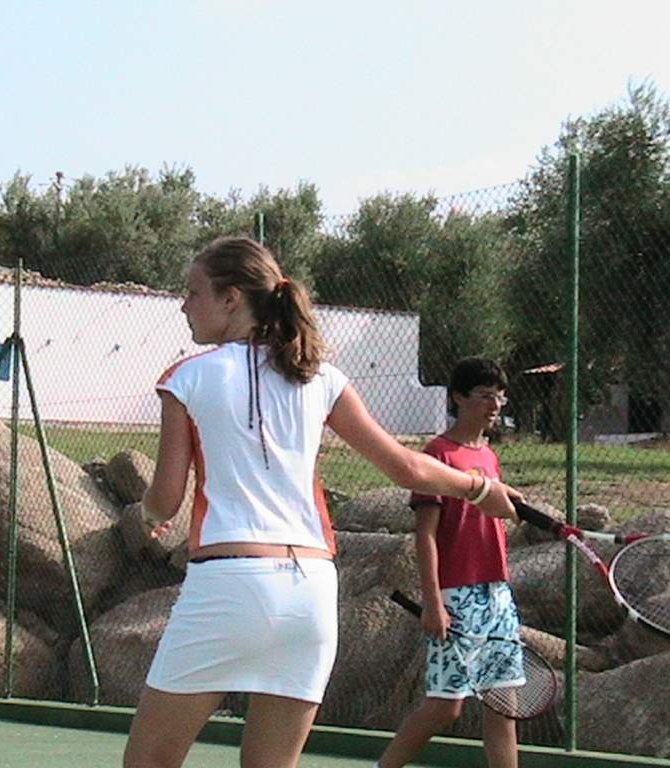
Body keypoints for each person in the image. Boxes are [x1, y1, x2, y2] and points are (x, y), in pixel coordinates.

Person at [122, 237, 522, 768]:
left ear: (231, 298)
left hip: (228, 586)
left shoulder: (186, 377)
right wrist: (482, 489)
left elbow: (166, 498)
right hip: (309, 595)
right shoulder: (322, 377)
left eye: (193, 292)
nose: (183, 304)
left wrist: (146, 516)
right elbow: (406, 466)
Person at [375, 357, 522, 768]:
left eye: (500, 397)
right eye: (485, 396)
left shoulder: (489, 456)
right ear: (458, 397)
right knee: (445, 707)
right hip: (456, 596)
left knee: (503, 704)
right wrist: (434, 602)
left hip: (497, 594)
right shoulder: (438, 454)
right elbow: (425, 534)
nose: (495, 405)